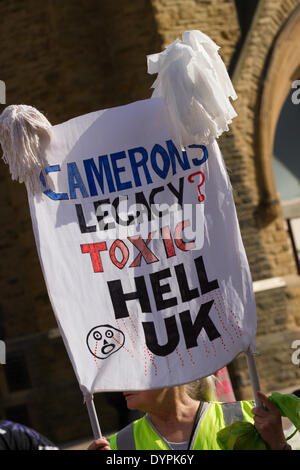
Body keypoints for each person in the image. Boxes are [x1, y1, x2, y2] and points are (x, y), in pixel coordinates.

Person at [88, 377, 291, 450]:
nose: (123, 382)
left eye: (135, 372)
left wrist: (279, 446)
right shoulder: (114, 447)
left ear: (172, 369)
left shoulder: (250, 417)